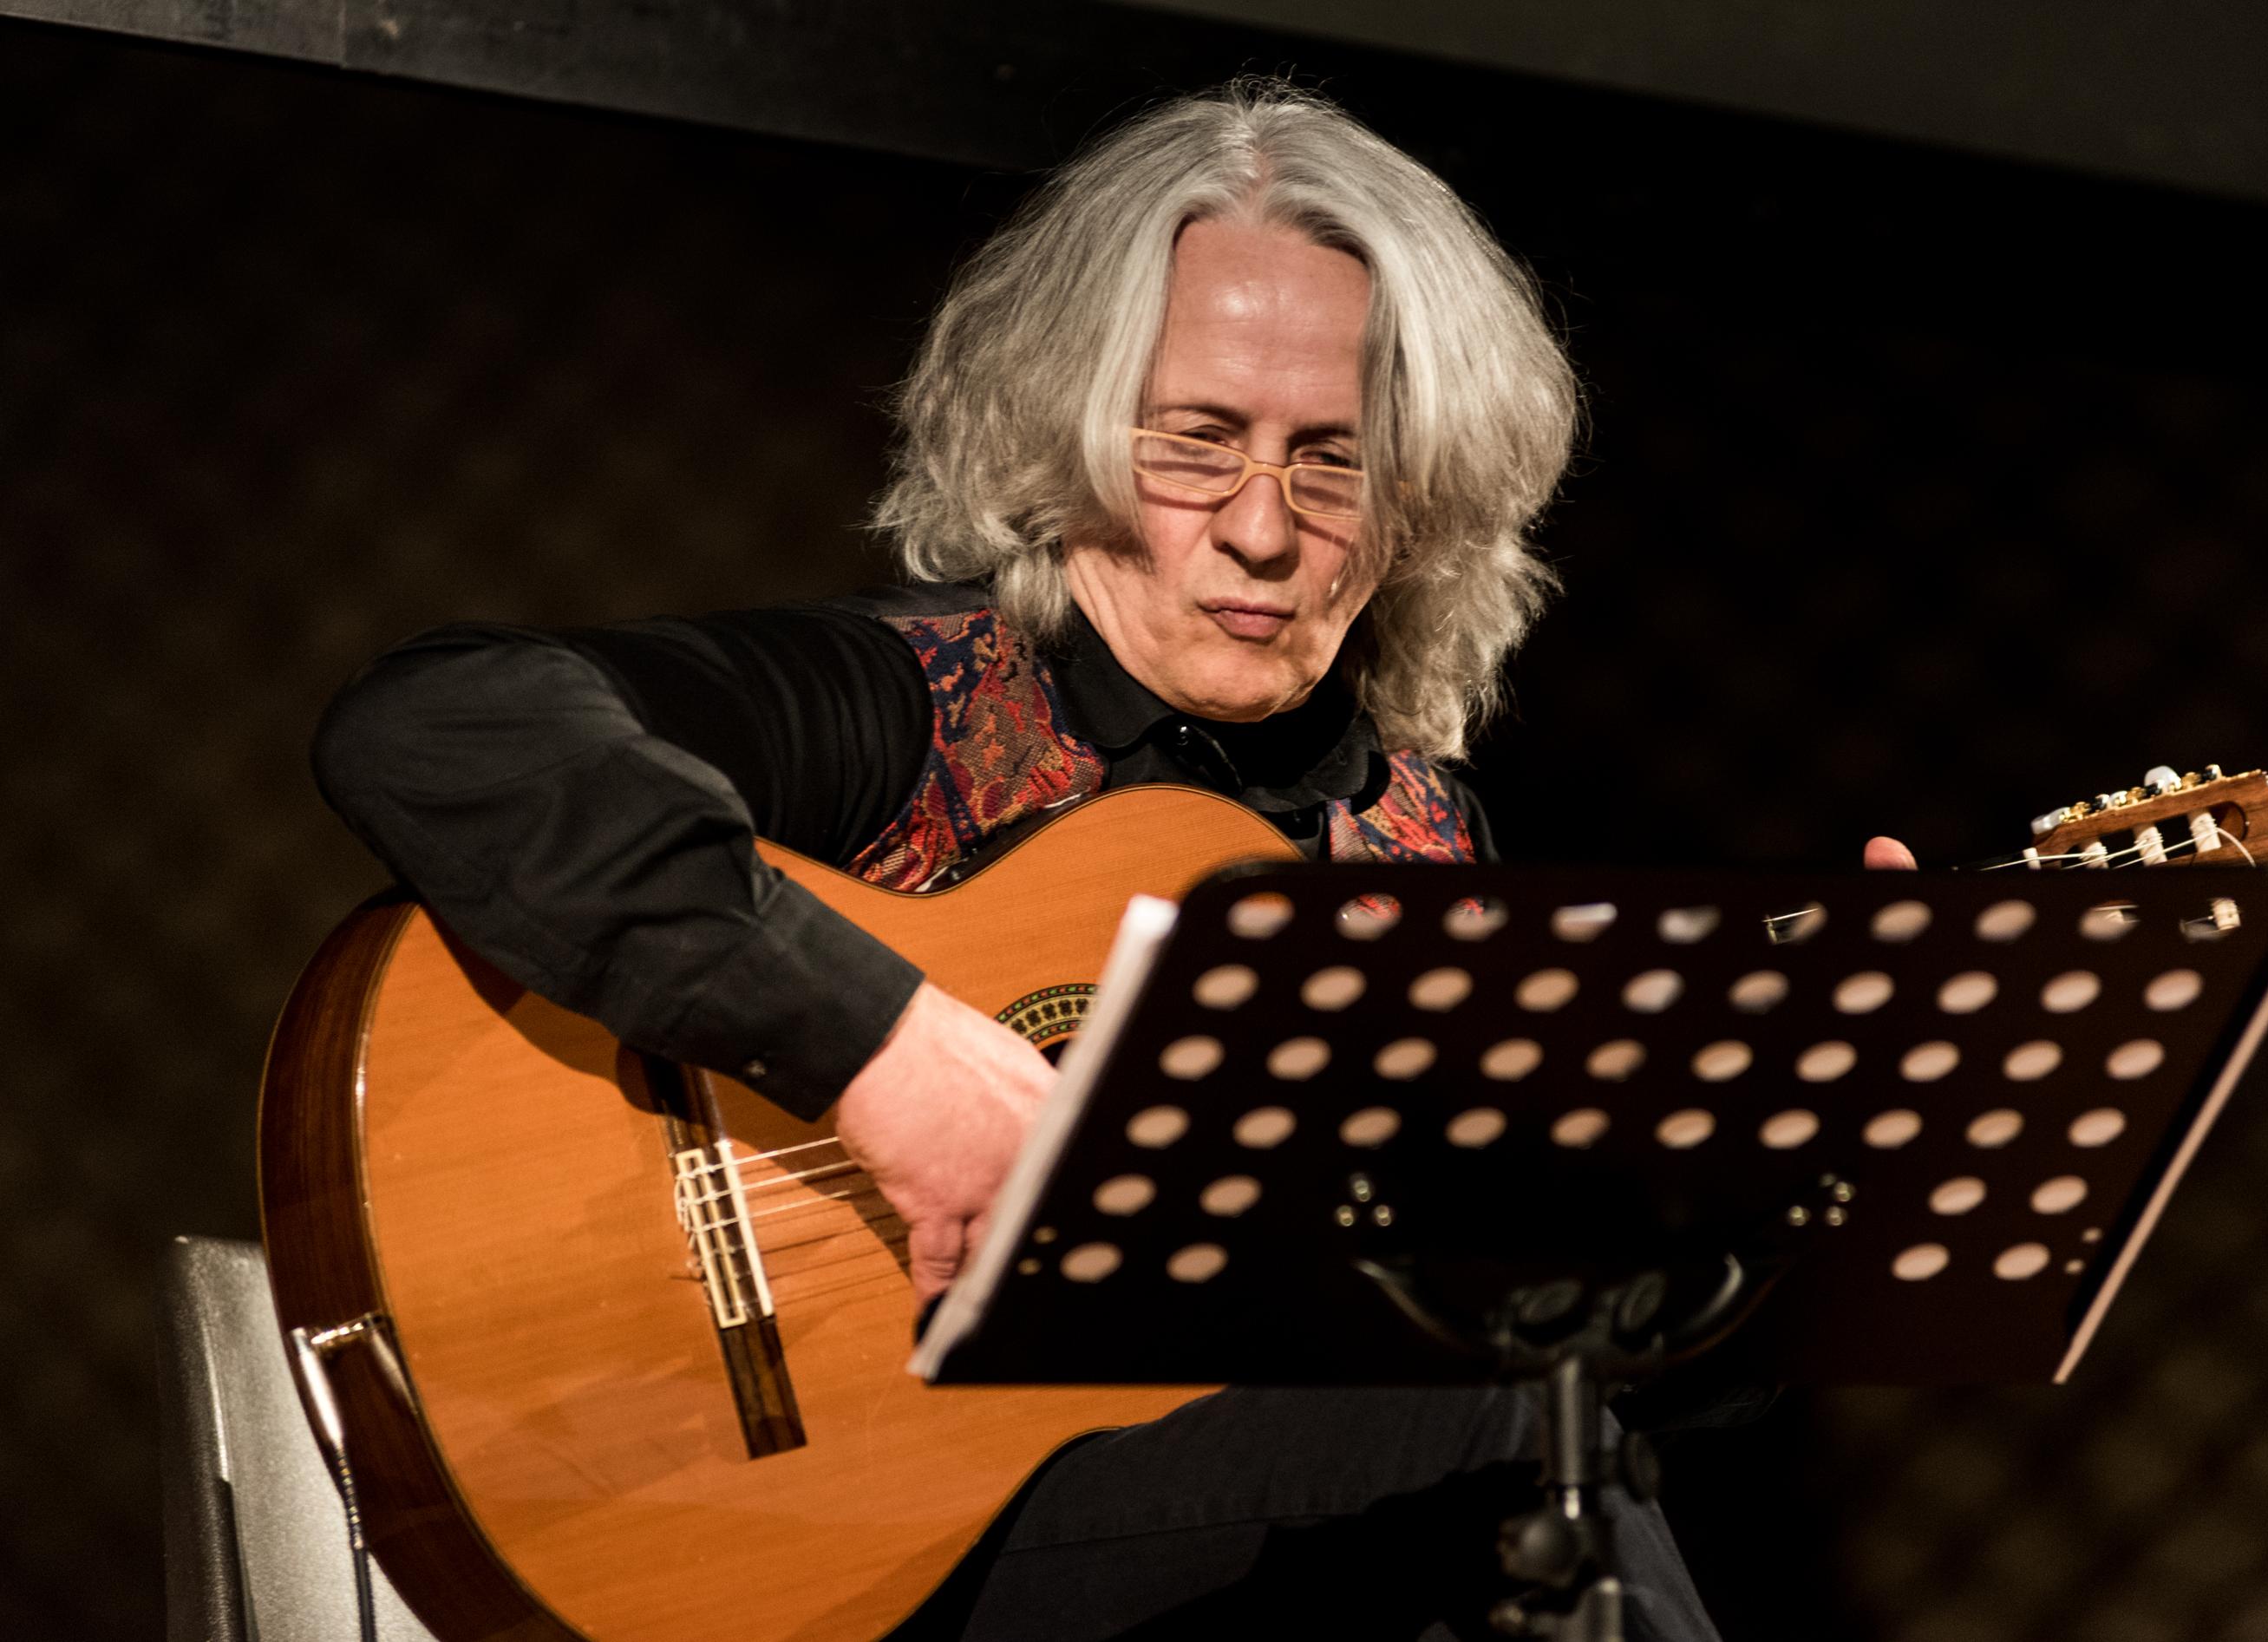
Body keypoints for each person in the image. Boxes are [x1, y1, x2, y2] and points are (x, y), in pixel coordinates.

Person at [314, 79, 1761, 1640]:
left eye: (1334, 461)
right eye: (1198, 442)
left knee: (1531, 1451)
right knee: (1497, 1449)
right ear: (1073, 434)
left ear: (1424, 499)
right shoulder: (918, 705)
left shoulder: (1423, 851)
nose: (1263, 531)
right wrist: (883, 1050)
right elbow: (438, 725)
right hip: (844, 1528)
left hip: (1233, 1561)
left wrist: (1758, 1186)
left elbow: (1543, 1356)